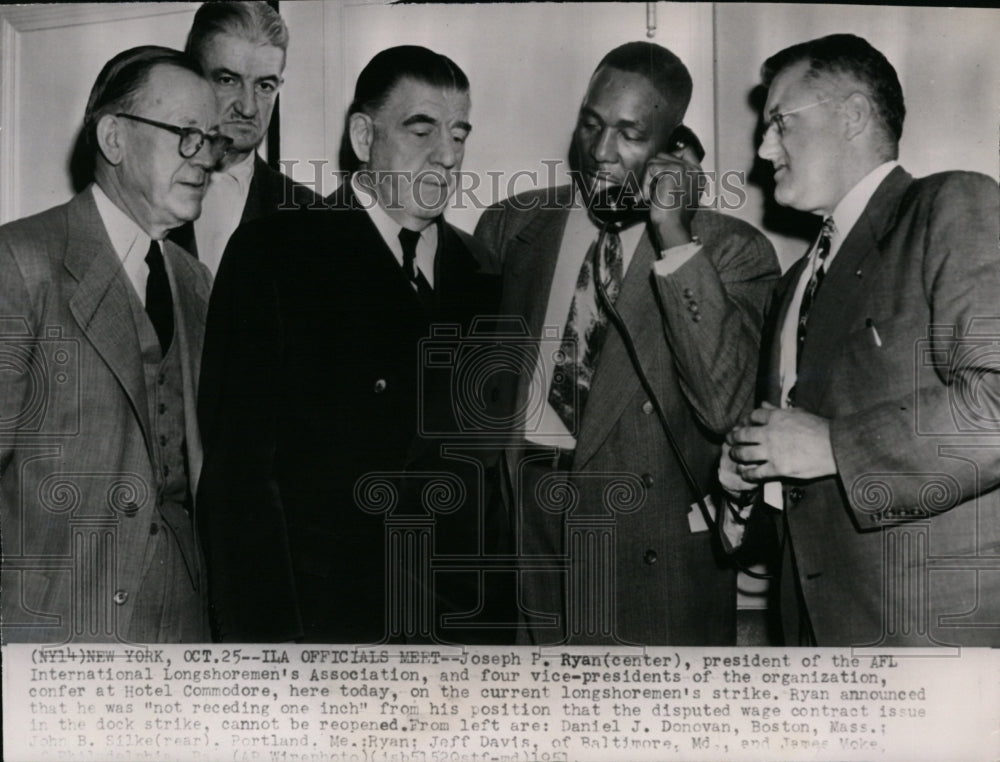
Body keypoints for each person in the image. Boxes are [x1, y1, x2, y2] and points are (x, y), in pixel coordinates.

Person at [475, 41, 779, 645]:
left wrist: (673, 236)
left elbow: (724, 406)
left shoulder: (730, 251)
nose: (600, 152)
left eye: (629, 134)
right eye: (591, 123)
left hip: (646, 540)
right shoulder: (512, 225)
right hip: (526, 518)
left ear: (670, 148)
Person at [197, 45, 504, 643]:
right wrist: (270, 659)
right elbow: (239, 485)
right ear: (364, 136)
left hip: (457, 639)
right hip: (326, 634)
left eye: (459, 134)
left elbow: (485, 484)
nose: (447, 156)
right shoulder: (277, 256)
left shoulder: (480, 268)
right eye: (422, 129)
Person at [722, 34, 1000, 647]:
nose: (764, 149)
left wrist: (835, 446)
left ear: (851, 115)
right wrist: (749, 480)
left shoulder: (952, 204)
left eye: (779, 123)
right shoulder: (796, 280)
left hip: (927, 633)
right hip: (811, 632)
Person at [0, 46, 228, 643]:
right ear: (113, 137)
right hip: (54, 634)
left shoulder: (196, 282)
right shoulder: (20, 262)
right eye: (185, 134)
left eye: (211, 139)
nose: (204, 157)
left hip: (183, 632)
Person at [169, 0, 322, 276]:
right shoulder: (142, 187)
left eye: (264, 86)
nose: (248, 108)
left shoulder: (312, 216)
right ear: (191, 76)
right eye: (228, 80)